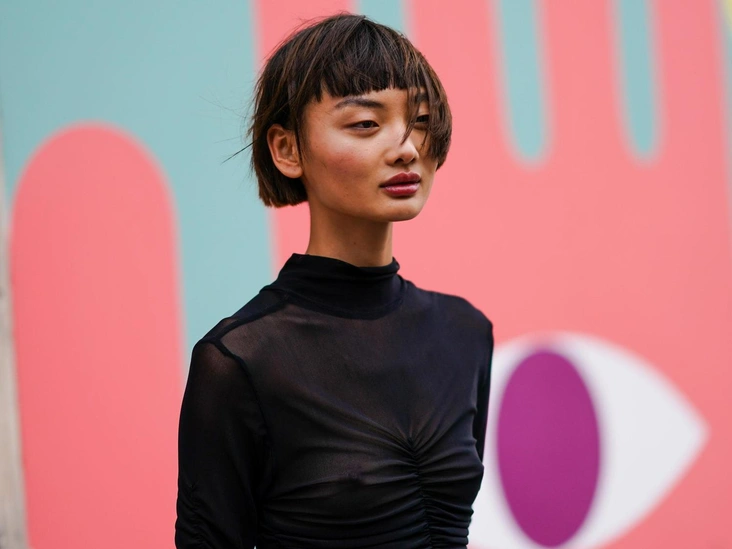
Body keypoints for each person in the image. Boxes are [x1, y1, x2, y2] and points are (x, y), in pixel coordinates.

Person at [175, 13, 494, 548]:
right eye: (366, 124)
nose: (407, 148)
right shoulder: (241, 360)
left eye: (420, 119)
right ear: (287, 150)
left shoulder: (465, 332)